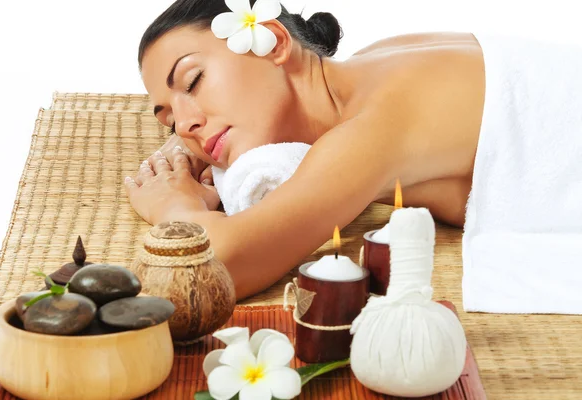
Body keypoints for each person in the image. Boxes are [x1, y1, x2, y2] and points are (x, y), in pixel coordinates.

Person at [125, 0, 485, 300]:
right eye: (170, 121)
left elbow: (218, 263)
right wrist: (186, 141)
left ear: (276, 43)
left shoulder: (378, 122)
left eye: (193, 80)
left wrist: (173, 205)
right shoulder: (367, 67)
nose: (184, 126)